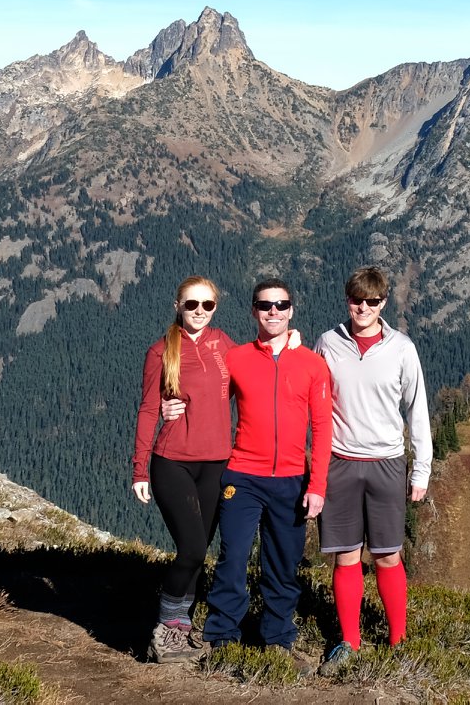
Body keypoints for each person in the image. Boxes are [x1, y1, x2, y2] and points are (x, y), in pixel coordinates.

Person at [199, 278, 334, 654]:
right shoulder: (236, 358)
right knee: (233, 558)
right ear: (253, 311)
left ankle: (277, 639)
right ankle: (221, 636)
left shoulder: (313, 365)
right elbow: (207, 400)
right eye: (264, 305)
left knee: (282, 565)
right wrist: (170, 406)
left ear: (291, 310)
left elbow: (323, 428)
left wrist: (317, 485)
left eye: (280, 305)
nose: (272, 311)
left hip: (292, 479)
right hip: (242, 475)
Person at [313, 265, 431, 676]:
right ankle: (349, 641)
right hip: (341, 464)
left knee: (387, 556)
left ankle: (398, 640)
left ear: (383, 304)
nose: (362, 307)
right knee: (345, 558)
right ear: (347, 299)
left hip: (386, 463)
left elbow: (417, 410)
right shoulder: (328, 342)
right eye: (356, 299)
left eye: (372, 301)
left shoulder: (402, 348)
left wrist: (421, 472)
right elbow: (313, 403)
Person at [131, 275, 235, 664]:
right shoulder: (160, 351)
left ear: (215, 307)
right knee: (191, 550)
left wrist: (286, 344)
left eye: (207, 305)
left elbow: (254, 378)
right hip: (172, 462)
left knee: (199, 551)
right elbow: (146, 409)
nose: (199, 312)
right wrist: (140, 470)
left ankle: (182, 628)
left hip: (217, 463)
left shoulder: (223, 344)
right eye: (191, 304)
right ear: (178, 305)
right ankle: (164, 628)